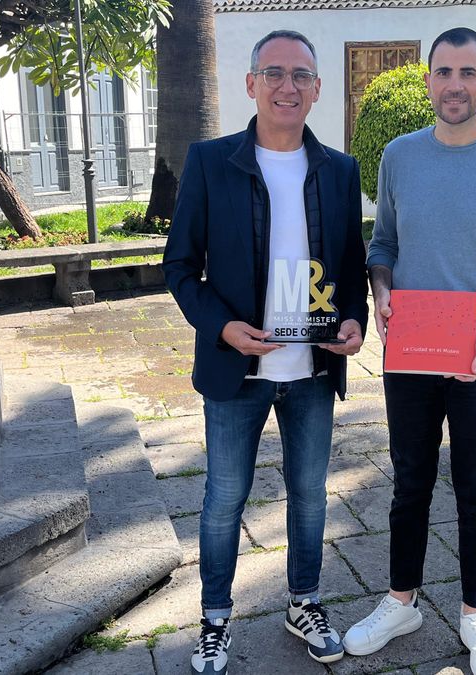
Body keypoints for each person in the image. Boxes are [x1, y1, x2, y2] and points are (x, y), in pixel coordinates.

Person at [342, 27, 476, 675]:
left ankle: (474, 614)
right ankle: (401, 600)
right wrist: (381, 292)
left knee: (475, 490)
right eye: (443, 72)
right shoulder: (400, 157)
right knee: (408, 482)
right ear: (428, 80)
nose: (455, 84)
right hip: (410, 352)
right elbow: (384, 248)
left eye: (468, 72)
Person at [162, 29, 369, 675]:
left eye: (301, 75)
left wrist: (355, 320)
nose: (288, 86)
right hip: (236, 371)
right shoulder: (209, 160)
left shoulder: (339, 170)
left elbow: (352, 266)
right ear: (251, 83)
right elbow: (178, 266)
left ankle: (303, 602)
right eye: (274, 73)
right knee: (225, 498)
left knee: (310, 495)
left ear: (317, 89)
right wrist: (222, 327)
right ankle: (215, 619)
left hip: (311, 370)